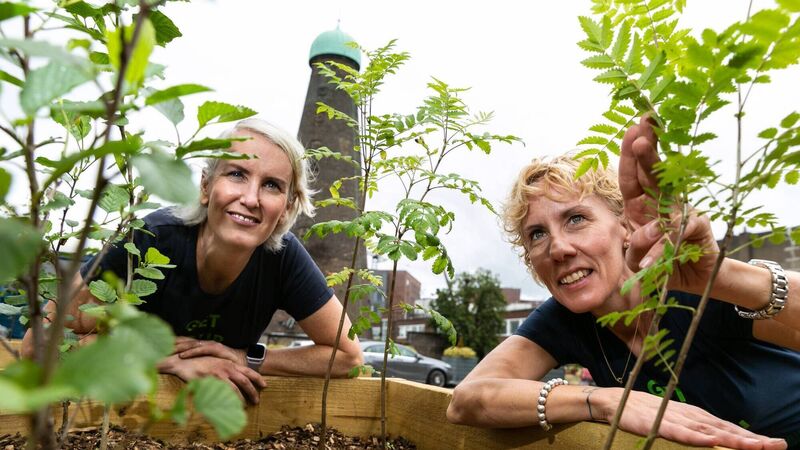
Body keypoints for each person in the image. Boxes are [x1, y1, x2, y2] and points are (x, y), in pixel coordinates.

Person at [447, 117, 800, 450]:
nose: (558, 248)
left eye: (576, 219)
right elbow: (467, 399)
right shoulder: (566, 320)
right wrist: (604, 400)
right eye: (537, 234)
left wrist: (720, 278)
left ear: (626, 228)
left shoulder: (693, 290)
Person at [21, 118, 363, 404]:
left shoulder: (283, 258)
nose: (250, 198)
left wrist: (244, 358)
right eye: (237, 174)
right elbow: (38, 346)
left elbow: (348, 358)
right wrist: (167, 360)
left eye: (271, 185)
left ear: (287, 208)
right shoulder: (148, 239)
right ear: (205, 187)